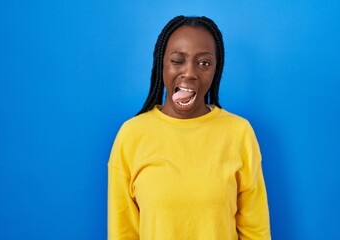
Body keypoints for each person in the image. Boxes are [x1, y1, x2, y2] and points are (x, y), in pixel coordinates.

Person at [108, 15, 271, 239]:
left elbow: (256, 231)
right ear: (161, 64)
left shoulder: (239, 133)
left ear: (216, 70)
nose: (190, 73)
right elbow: (122, 232)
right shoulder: (132, 135)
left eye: (204, 63)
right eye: (177, 60)